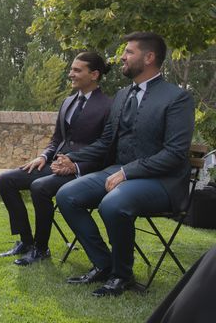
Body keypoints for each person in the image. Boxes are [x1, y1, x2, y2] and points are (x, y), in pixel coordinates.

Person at [55, 32, 195, 297]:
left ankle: (122, 275)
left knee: (113, 203)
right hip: (117, 172)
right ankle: (104, 264)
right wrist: (73, 158)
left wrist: (127, 172)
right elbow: (107, 140)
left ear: (149, 57)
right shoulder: (121, 96)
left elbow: (175, 154)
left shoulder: (177, 98)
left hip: (162, 183)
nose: (122, 56)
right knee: (67, 194)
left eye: (129, 52)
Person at [0, 52, 112, 265]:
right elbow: (57, 138)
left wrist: (75, 164)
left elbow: (105, 146)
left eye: (77, 70)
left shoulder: (108, 106)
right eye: (71, 69)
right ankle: (26, 242)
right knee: (6, 179)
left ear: (94, 74)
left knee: (40, 187)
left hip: (83, 171)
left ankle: (41, 249)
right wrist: (43, 156)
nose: (71, 74)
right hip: (55, 164)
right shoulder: (68, 101)